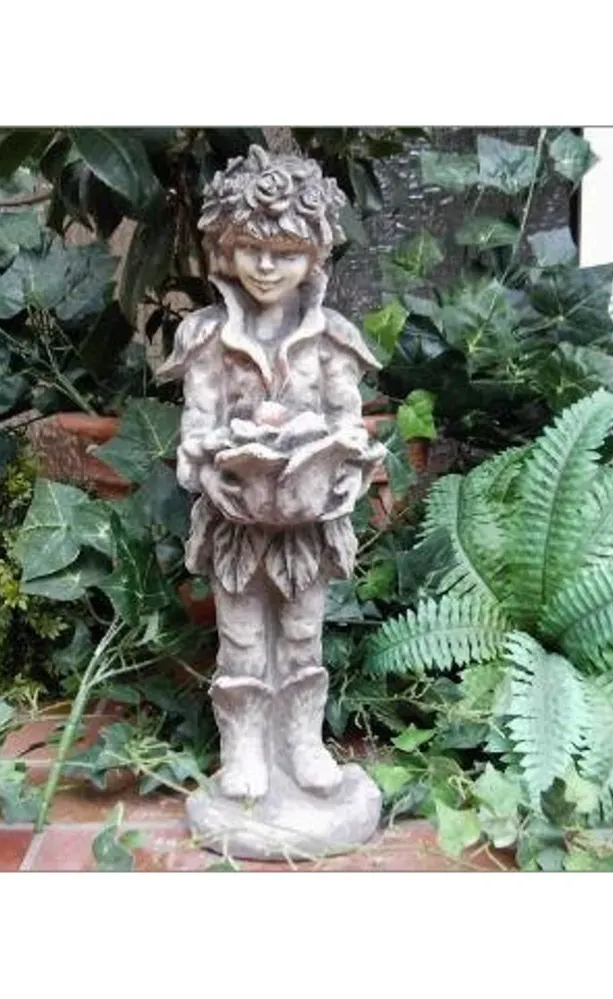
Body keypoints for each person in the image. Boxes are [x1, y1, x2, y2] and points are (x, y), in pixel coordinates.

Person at [157, 145, 384, 801]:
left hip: (308, 521)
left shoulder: (331, 338)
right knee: (241, 637)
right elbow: (195, 434)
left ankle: (302, 743)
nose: (265, 266)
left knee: (304, 632)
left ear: (315, 256)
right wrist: (210, 473)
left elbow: (351, 425)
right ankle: (243, 748)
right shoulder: (206, 337)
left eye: (284, 252)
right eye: (251, 249)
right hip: (236, 520)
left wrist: (346, 471)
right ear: (225, 251)